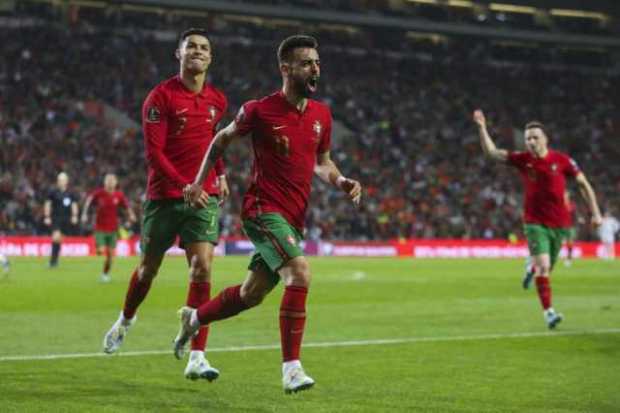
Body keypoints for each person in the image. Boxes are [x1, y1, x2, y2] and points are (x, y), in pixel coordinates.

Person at [177, 35, 362, 393]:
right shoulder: (259, 110)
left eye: (317, 63)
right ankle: (291, 368)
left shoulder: (322, 115)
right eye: (307, 63)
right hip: (263, 209)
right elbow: (220, 140)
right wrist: (200, 182)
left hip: (294, 218)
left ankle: (194, 318)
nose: (315, 68)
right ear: (286, 68)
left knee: (251, 294)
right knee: (300, 272)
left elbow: (321, 164)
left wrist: (340, 180)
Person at [101, 28, 230, 382]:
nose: (198, 52)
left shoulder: (217, 100)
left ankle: (197, 355)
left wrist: (219, 174)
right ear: (179, 54)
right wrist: (183, 185)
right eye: (191, 47)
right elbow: (154, 153)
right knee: (147, 271)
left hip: (202, 197)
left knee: (202, 267)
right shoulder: (160, 97)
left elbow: (212, 144)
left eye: (204, 48)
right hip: (164, 197)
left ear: (210, 57)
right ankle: (126, 319)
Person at [473, 110, 602, 329]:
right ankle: (549, 312)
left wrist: (596, 212)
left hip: (560, 224)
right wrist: (482, 127)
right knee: (544, 267)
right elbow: (492, 153)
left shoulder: (562, 161)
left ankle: (530, 266)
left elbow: (583, 184)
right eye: (528, 139)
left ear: (545, 139)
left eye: (535, 137)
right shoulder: (523, 160)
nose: (531, 142)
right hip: (534, 223)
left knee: (547, 268)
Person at [81, 173, 136, 283]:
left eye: (112, 180)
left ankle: (105, 274)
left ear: (116, 182)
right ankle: (98, 248)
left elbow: (127, 206)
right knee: (101, 251)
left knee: (111, 256)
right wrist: (84, 214)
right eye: (108, 180)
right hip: (100, 228)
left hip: (113, 230)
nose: (110, 182)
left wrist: (131, 214)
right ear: (105, 182)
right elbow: (88, 202)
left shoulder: (119, 195)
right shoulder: (99, 193)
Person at [43, 172, 79, 268]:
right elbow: (47, 204)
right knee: (55, 237)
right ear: (57, 181)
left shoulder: (71, 193)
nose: (61, 182)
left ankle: (54, 261)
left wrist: (75, 216)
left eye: (63, 180)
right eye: (59, 180)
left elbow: (74, 205)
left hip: (66, 220)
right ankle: (52, 262)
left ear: (66, 181)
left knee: (59, 240)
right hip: (56, 218)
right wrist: (47, 216)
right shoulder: (53, 192)